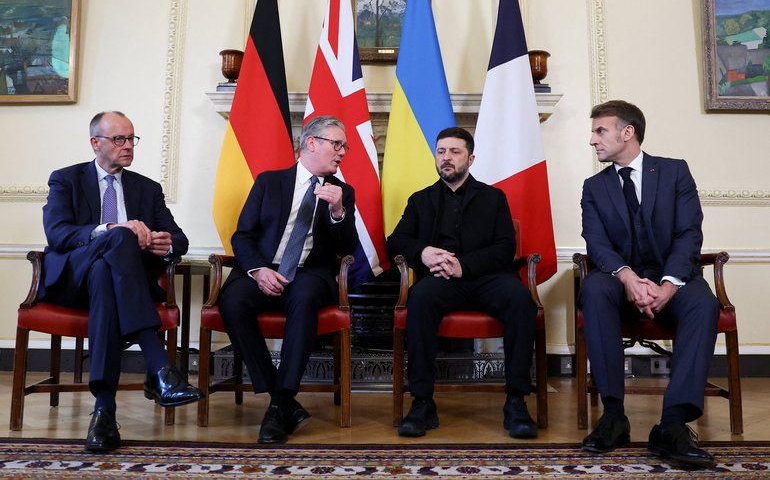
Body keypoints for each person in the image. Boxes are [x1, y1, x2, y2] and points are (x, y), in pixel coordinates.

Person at [41, 111, 204, 453]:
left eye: (131, 139)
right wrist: (113, 230)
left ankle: (104, 412)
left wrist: (166, 243)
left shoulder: (147, 188)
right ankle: (160, 369)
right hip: (73, 281)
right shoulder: (66, 179)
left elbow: (180, 238)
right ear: (95, 143)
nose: (128, 146)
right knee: (119, 238)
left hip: (112, 285)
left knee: (105, 272)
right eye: (119, 139)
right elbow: (57, 234)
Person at [579, 100, 719, 467]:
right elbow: (596, 242)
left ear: (628, 133)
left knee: (704, 303)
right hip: (619, 279)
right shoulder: (594, 187)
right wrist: (626, 277)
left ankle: (672, 425)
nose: (592, 140)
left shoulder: (674, 172)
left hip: (673, 279)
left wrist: (669, 284)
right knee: (593, 288)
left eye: (599, 131)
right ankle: (613, 416)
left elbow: (689, 233)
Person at [387, 126, 538, 439]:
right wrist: (424, 252)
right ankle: (422, 401)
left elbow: (505, 247)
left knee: (521, 301)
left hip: (488, 278)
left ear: (471, 158)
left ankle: (516, 401)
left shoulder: (494, 197)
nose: (446, 158)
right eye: (441, 152)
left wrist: (463, 266)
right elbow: (397, 240)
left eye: (454, 152)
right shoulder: (420, 200)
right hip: (440, 281)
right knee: (421, 299)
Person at [219, 115, 358, 444]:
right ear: (312, 143)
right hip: (264, 268)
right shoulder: (270, 182)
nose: (342, 152)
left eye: (345, 147)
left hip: (310, 272)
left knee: (305, 296)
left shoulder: (342, 192)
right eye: (336, 144)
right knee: (232, 301)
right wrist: (257, 269)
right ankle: (281, 399)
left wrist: (339, 212)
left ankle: (281, 402)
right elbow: (243, 236)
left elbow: (348, 249)